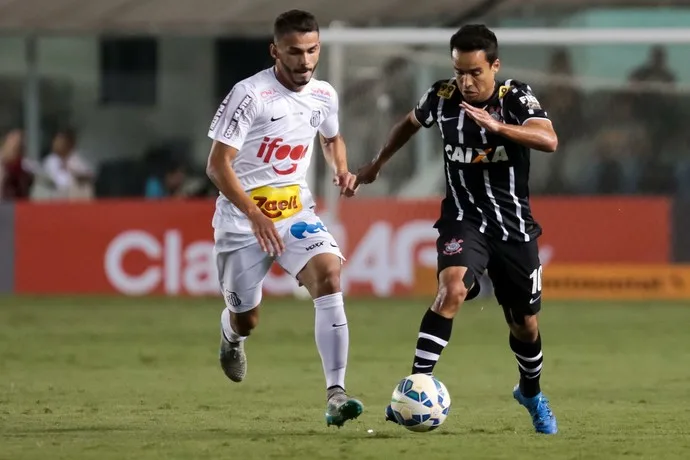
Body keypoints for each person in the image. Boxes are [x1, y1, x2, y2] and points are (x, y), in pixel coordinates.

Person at [356, 24, 559, 434]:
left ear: (495, 66)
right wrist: (377, 164)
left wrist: (500, 128)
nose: (464, 81)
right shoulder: (441, 96)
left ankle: (532, 393)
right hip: (464, 220)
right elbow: (409, 123)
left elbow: (549, 139)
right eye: (458, 71)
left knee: (525, 323)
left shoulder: (515, 98)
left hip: (514, 228)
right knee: (451, 289)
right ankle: (412, 391)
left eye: (474, 72)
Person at [205, 9, 362, 427]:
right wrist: (254, 214)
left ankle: (335, 393)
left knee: (329, 274)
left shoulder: (324, 94)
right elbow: (218, 166)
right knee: (247, 318)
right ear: (275, 51)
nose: (305, 61)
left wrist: (339, 167)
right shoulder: (251, 95)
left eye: (312, 50)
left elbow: (332, 137)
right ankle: (231, 334)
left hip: (294, 213)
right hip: (242, 222)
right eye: (294, 52)